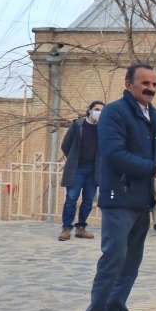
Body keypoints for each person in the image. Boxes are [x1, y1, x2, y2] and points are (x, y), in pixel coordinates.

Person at [83, 63, 156, 311]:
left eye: (154, 84)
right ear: (128, 84)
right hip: (119, 199)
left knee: (130, 264)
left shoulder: (152, 114)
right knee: (112, 262)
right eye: (144, 83)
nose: (150, 88)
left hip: (141, 201)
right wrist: (152, 169)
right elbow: (114, 154)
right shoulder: (114, 112)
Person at [58, 101, 104, 241]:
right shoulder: (78, 125)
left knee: (88, 200)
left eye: (102, 110)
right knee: (71, 198)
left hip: (93, 170)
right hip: (77, 169)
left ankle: (81, 228)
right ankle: (66, 228)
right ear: (89, 110)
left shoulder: (103, 128)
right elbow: (66, 145)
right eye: (96, 109)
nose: (99, 112)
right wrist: (73, 159)